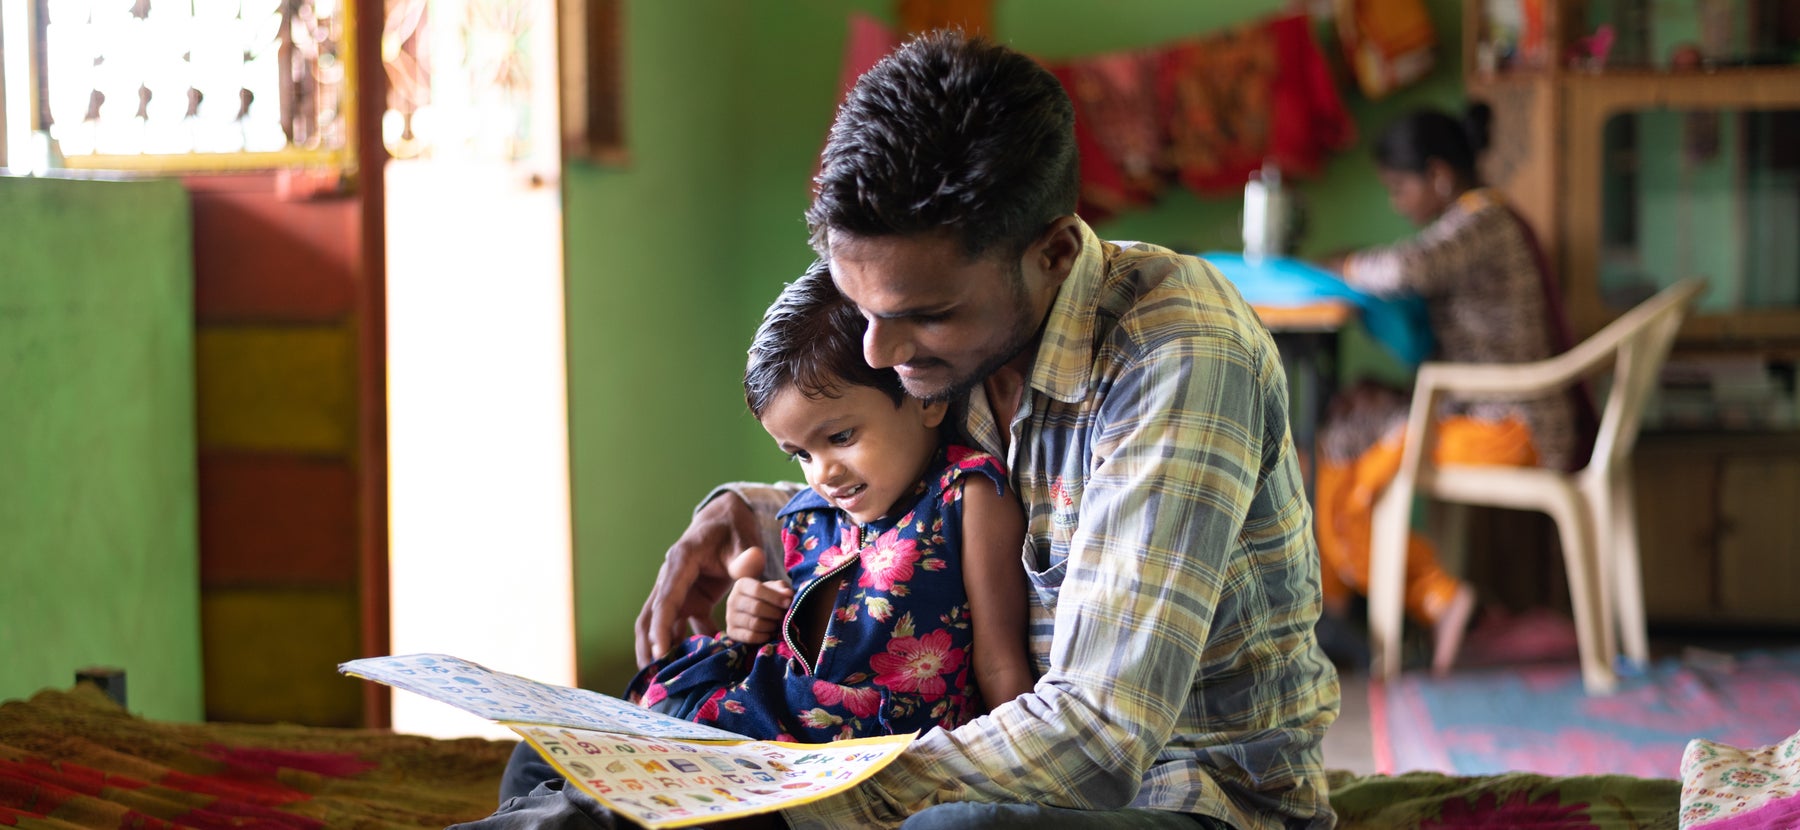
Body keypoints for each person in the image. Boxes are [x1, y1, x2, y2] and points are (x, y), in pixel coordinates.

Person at [635, 30, 1338, 830]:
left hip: (1192, 796)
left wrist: (783, 797)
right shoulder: (935, 334)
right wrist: (746, 508)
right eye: (860, 307)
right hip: (961, 741)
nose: (879, 351)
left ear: (1055, 253)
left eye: (923, 317)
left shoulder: (1178, 352)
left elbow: (1100, 738)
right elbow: (894, 487)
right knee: (603, 746)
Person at [624, 258, 1035, 741]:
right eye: (799, 454)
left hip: (882, 746)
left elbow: (1000, 663)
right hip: (777, 727)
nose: (823, 473)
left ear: (925, 397)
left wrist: (1024, 780)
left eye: (841, 436)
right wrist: (750, 618)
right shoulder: (811, 516)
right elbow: (794, 651)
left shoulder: (967, 497)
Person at [1313, 104, 1583, 675]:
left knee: (1351, 458)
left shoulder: (1480, 222)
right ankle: (1341, 605)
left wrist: (1341, 265)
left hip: (1510, 427)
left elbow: (1405, 270)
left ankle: (1436, 598)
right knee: (1344, 421)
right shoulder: (1482, 221)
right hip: (1487, 411)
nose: (1397, 203)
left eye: (1399, 188)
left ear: (1438, 176)